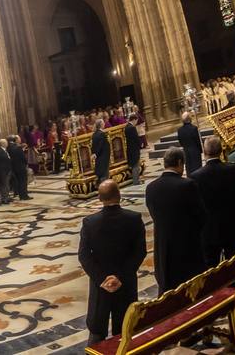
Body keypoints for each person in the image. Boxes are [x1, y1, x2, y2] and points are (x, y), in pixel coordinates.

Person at [79, 179, 147, 345]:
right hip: (126, 283)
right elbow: (140, 252)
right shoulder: (134, 219)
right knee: (124, 331)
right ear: (119, 195)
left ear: (100, 199)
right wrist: (120, 277)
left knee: (96, 332)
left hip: (100, 286)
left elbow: (84, 256)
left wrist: (103, 278)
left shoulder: (90, 223)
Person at [145, 147, 206, 293]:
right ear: (180, 162)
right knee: (191, 289)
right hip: (187, 245)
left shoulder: (151, 188)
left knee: (168, 290)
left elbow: (153, 214)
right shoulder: (187, 185)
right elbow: (201, 215)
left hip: (163, 246)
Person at [191, 136, 235, 265]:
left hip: (209, 230)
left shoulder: (195, 176)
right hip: (233, 226)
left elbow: (196, 208)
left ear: (204, 152)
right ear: (221, 151)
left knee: (211, 270)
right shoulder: (233, 169)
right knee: (234, 265)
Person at [9, 135, 30, 200]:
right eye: (19, 138)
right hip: (21, 167)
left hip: (15, 167)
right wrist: (26, 163)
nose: (20, 139)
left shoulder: (11, 147)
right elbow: (23, 158)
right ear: (17, 140)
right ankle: (24, 196)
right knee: (23, 181)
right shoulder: (18, 147)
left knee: (19, 182)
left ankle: (21, 195)